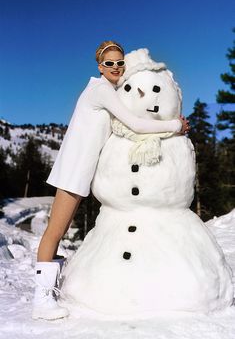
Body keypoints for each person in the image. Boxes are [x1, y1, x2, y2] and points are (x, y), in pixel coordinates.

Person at [32, 41, 189, 320]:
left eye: (120, 63)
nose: (115, 68)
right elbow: (136, 123)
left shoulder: (105, 89)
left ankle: (48, 291)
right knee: (55, 231)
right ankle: (41, 301)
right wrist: (174, 126)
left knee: (61, 228)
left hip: (81, 169)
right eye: (109, 63)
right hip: (73, 169)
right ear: (100, 66)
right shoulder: (101, 90)